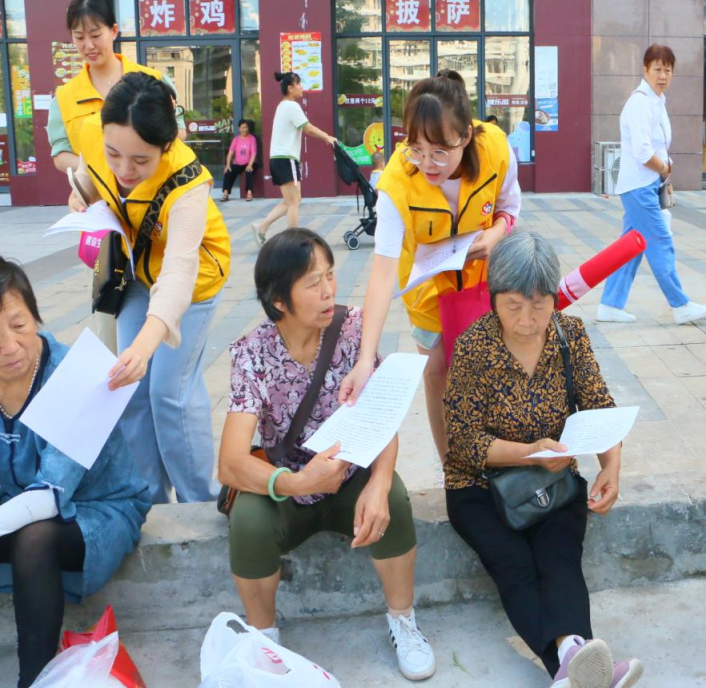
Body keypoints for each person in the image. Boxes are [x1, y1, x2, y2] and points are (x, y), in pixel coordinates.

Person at [220, 228, 436, 681]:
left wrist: (379, 483)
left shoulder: (354, 329)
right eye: (313, 283)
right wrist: (296, 482)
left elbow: (383, 414)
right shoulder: (252, 354)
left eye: (330, 275)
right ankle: (264, 639)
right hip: (287, 483)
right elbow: (231, 462)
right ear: (279, 300)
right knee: (249, 522)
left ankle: (403, 621)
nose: (328, 291)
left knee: (394, 500)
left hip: (348, 478)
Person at [443, 233, 642, 688]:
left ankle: (571, 664)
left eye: (539, 305)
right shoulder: (474, 346)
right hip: (479, 486)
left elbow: (598, 407)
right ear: (494, 298)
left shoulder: (570, 336)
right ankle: (577, 663)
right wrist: (529, 452)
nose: (527, 320)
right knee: (515, 564)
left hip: (554, 480)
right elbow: (463, 441)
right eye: (513, 306)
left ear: (555, 298)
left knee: (560, 556)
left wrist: (611, 467)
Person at [338, 71, 521, 463]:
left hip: (481, 286)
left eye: (439, 152)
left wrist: (496, 234)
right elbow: (383, 272)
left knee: (486, 371)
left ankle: (496, 459)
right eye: (415, 149)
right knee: (436, 373)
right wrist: (366, 359)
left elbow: (509, 208)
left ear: (466, 136)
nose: (427, 164)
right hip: (427, 291)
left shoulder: (496, 149)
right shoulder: (396, 182)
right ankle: (451, 468)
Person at [67, 72, 231, 505]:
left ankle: (199, 503)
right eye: (114, 154)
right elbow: (87, 176)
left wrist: (143, 348)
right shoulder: (94, 133)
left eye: (140, 160)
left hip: (193, 282)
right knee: (129, 391)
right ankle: (150, 502)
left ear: (166, 144)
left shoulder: (189, 183)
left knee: (168, 394)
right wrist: (79, 195)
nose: (124, 170)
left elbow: (178, 274)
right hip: (137, 274)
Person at [0, 258, 152, 688]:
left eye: (18, 325)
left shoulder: (76, 373)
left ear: (35, 316)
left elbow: (49, 496)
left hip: (96, 508)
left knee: (35, 538)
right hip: (13, 509)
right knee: (26, 529)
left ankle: (33, 680)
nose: (9, 346)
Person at [48, 0, 178, 354]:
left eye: (96, 34)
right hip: (105, 223)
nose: (88, 45)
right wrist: (88, 178)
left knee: (164, 309)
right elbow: (61, 154)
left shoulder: (150, 81)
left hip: (156, 213)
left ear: (114, 31)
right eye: (79, 37)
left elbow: (177, 137)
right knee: (111, 315)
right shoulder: (65, 96)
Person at [596, 44, 706, 327]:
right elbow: (643, 152)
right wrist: (663, 169)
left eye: (667, 70)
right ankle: (680, 305)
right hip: (640, 186)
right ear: (645, 70)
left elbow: (658, 147)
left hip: (644, 184)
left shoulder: (657, 101)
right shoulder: (640, 103)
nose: (662, 75)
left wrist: (664, 173)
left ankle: (610, 305)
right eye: (657, 69)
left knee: (631, 247)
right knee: (660, 241)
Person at [252, 72, 337, 246]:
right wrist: (327, 137)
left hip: (280, 159)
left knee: (292, 201)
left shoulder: (282, 106)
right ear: (290, 88)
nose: (301, 87)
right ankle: (292, 242)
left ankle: (262, 227)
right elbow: (308, 128)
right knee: (293, 203)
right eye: (298, 84)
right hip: (285, 159)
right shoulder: (291, 106)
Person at [222, 118, 259, 202]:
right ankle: (225, 193)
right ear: (239, 128)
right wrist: (227, 165)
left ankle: (249, 193)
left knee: (249, 171)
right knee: (228, 171)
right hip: (238, 163)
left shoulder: (252, 138)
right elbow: (230, 153)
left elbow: (254, 153)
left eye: (246, 127)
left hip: (250, 162)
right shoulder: (236, 139)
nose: (245, 129)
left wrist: (250, 164)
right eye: (243, 127)